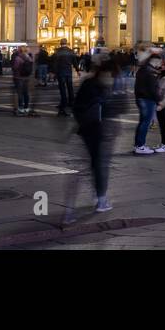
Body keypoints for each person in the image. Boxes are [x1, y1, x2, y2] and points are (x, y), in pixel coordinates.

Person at [68, 55, 117, 216]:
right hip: (95, 129)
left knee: (97, 163)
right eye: (110, 75)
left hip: (93, 129)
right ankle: (100, 198)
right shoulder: (96, 86)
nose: (111, 79)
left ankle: (99, 194)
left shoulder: (93, 84)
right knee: (100, 164)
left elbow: (76, 107)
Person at [132, 49, 162, 154]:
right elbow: (152, 89)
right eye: (159, 62)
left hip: (141, 97)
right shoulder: (150, 71)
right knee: (145, 122)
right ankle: (140, 146)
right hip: (147, 99)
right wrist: (159, 101)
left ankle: (138, 145)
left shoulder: (143, 69)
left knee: (142, 122)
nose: (160, 65)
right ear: (156, 61)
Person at [52, 38, 76, 116]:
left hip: (60, 72)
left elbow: (55, 63)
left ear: (60, 43)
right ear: (67, 43)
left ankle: (63, 104)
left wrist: (54, 72)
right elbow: (74, 61)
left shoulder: (57, 52)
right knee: (70, 87)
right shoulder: (70, 51)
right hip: (68, 72)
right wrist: (78, 70)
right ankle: (71, 102)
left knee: (62, 89)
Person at [11, 46, 36, 116]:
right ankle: (26, 107)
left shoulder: (18, 58)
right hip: (27, 78)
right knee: (26, 93)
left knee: (20, 93)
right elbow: (32, 68)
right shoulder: (29, 58)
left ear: (20, 51)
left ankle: (20, 108)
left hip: (19, 77)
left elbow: (15, 68)